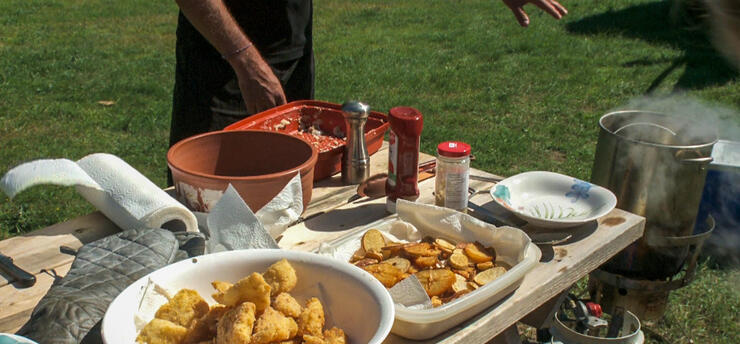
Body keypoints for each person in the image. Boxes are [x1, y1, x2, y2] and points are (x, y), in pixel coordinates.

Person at [169, 0, 568, 149]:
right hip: (223, 69)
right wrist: (245, 61)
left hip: (290, 57)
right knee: (210, 209)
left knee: (286, 200)